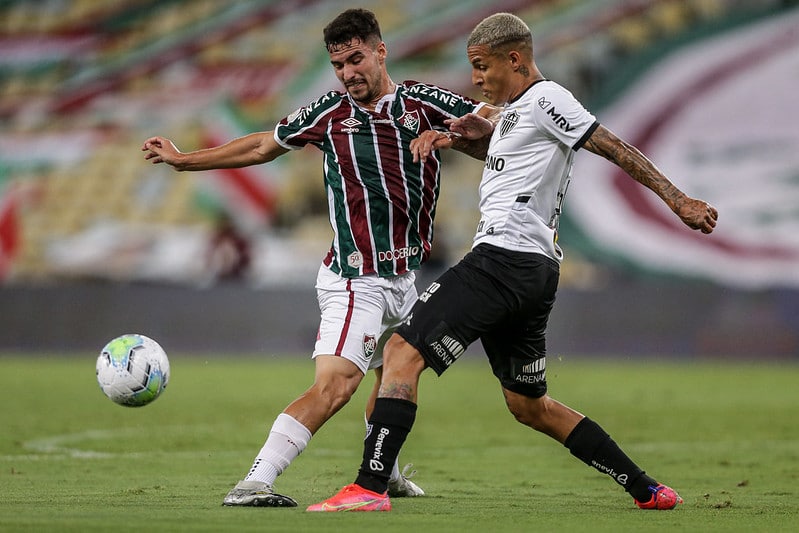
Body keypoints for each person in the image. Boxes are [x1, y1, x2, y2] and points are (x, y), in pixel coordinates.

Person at [308, 12, 719, 512]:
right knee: (530, 405)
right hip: (535, 270)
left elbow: (611, 145)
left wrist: (678, 200)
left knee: (400, 352)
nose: (476, 79)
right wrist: (456, 136)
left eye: (482, 67)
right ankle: (647, 489)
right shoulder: (517, 111)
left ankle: (369, 488)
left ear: (515, 59)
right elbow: (512, 156)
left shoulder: (548, 99)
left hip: (504, 258)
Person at [142, 9, 495, 507]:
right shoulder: (329, 114)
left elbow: (491, 122)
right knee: (335, 386)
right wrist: (185, 160)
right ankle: (255, 481)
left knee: (396, 376)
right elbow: (264, 145)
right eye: (338, 64)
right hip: (357, 277)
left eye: (355, 59)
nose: (348, 73)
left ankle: (386, 471)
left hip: (404, 277)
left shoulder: (422, 100)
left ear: (380, 51)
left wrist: (452, 135)